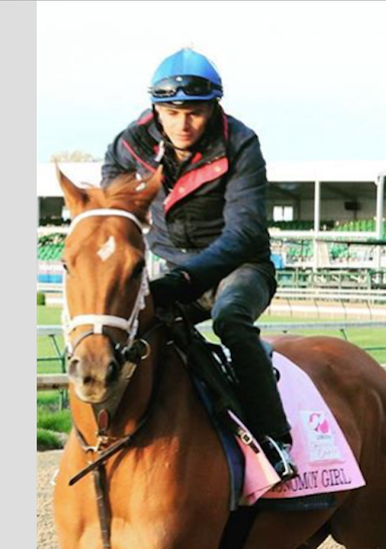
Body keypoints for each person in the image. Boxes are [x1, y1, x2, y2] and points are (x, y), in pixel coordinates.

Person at [101, 48, 296, 481]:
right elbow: (115, 219)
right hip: (173, 272)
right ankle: (105, 436)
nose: (184, 124)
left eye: (195, 112)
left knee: (231, 321)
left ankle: (273, 438)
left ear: (214, 108)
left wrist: (186, 278)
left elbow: (244, 232)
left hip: (241, 269)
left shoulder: (241, 143)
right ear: (156, 109)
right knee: (125, 327)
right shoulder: (126, 146)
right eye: (172, 112)